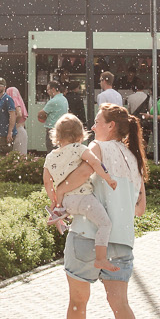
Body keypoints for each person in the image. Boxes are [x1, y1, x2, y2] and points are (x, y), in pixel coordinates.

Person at [50, 104, 148, 319]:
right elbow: (140, 209)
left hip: (86, 235)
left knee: (78, 302)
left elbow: (82, 176)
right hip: (121, 241)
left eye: (97, 121)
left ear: (111, 127)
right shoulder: (134, 159)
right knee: (121, 305)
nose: (92, 125)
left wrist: (60, 193)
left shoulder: (97, 148)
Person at [42, 113, 117, 276]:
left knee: (64, 210)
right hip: (84, 199)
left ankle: (59, 215)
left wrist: (55, 200)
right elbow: (95, 163)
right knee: (105, 224)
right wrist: (109, 179)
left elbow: (47, 182)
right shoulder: (79, 149)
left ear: (57, 135)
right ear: (79, 134)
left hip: (67, 202)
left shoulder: (50, 157)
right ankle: (101, 258)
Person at [5, 83, 30, 155]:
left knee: (17, 157)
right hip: (22, 130)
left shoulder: (13, 100)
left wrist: (13, 123)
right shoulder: (19, 100)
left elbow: (19, 114)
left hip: (18, 130)